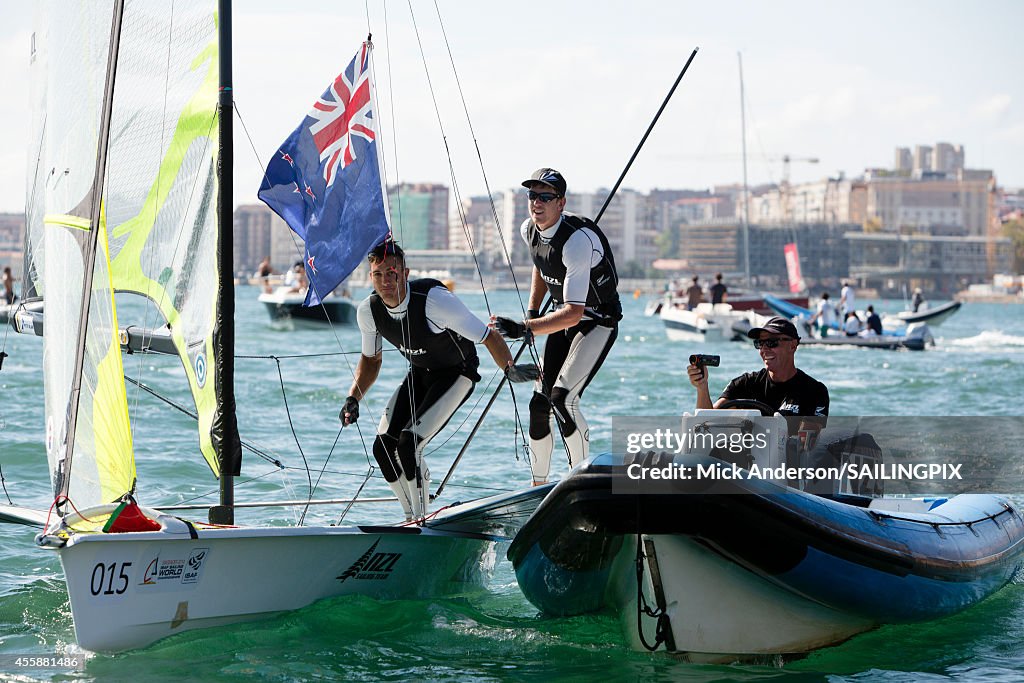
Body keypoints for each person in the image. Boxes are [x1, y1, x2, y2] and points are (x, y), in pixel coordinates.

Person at [341, 241, 539, 521]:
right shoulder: (369, 311)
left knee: (409, 443)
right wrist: (353, 398)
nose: (385, 281)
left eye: (392, 273)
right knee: (382, 447)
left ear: (405, 273)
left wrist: (510, 369)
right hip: (420, 374)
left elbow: (487, 335)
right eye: (378, 274)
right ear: (370, 277)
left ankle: (421, 519)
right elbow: (371, 361)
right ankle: (411, 517)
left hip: (457, 374)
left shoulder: (434, 301)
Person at [492, 168, 621, 485]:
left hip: (597, 321)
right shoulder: (529, 230)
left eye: (546, 197)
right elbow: (542, 265)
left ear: (561, 203)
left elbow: (574, 314)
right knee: (539, 404)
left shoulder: (577, 242)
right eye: (533, 195)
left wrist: (526, 328)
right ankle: (538, 488)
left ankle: (581, 480)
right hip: (561, 318)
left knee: (563, 399)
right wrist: (534, 311)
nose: (537, 202)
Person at [687, 316, 828, 431]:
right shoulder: (745, 383)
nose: (764, 349)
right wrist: (702, 387)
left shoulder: (815, 391)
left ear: (792, 345)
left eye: (772, 342)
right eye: (760, 343)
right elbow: (706, 423)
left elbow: (807, 448)